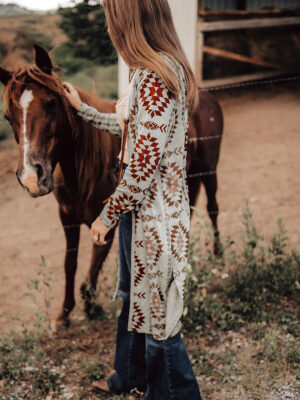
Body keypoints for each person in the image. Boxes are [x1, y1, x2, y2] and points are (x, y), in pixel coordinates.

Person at [63, 0, 201, 399]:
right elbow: (132, 133)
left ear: (129, 22)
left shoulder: (157, 76)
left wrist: (106, 215)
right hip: (138, 214)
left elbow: (141, 166)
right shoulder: (147, 73)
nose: (111, 31)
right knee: (133, 297)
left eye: (113, 21)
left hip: (155, 217)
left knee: (162, 325)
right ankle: (131, 374)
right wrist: (83, 108)